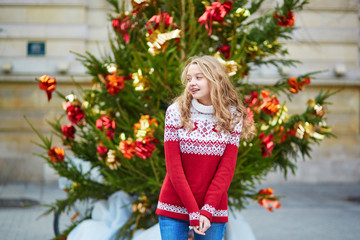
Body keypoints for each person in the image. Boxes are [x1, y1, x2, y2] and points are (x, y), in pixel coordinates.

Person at [155, 55, 252, 240]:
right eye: (189, 78)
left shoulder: (233, 117)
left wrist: (207, 210)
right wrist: (193, 211)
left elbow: (226, 168)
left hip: (213, 208)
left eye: (199, 77)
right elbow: (174, 168)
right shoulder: (175, 112)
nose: (192, 83)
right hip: (173, 204)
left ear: (214, 79)